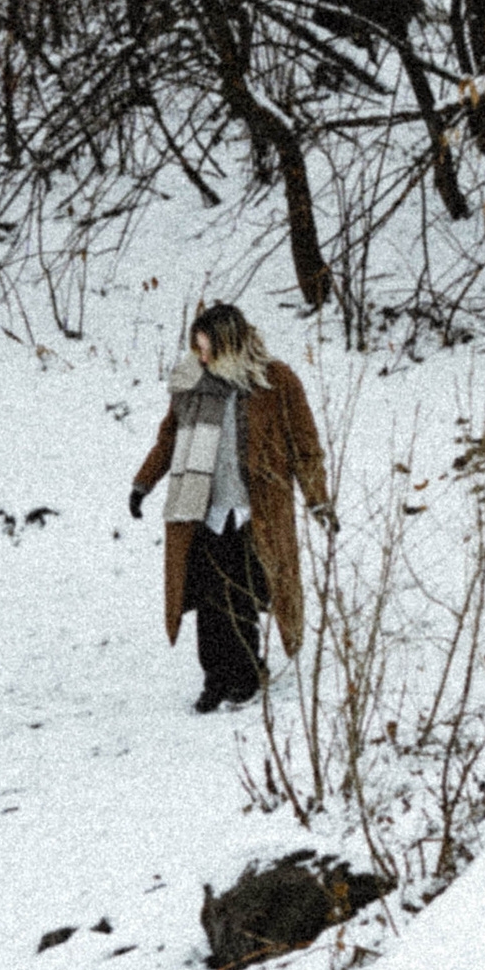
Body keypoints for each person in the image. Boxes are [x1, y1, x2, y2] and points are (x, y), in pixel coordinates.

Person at [128, 300, 331, 712]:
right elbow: (169, 439)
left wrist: (319, 500)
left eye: (207, 349)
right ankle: (214, 679)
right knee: (209, 600)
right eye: (197, 349)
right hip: (202, 509)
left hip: (255, 512)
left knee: (241, 596)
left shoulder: (276, 382)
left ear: (229, 344)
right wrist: (143, 483)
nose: (200, 357)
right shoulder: (192, 384)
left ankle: (246, 676)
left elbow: (305, 446)